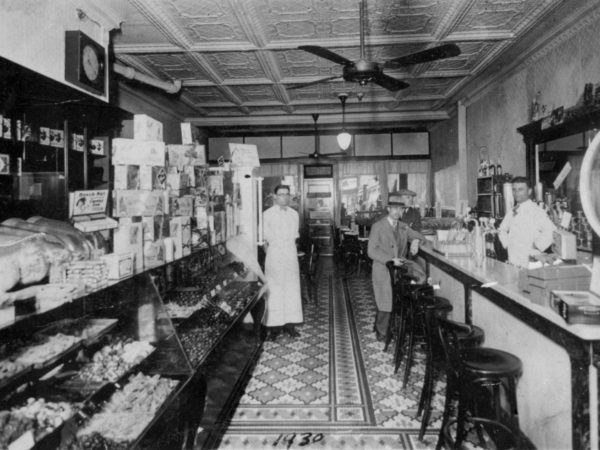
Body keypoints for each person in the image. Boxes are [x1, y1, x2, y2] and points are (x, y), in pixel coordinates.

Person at [367, 192, 427, 341]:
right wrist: (390, 259)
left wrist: (415, 241)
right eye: (394, 208)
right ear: (388, 209)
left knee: (415, 284)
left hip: (399, 269)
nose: (397, 212)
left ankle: (392, 327)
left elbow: (421, 237)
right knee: (385, 300)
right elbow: (371, 251)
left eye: (401, 209)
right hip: (382, 268)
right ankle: (382, 331)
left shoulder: (403, 227)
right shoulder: (378, 226)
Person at [263, 185, 303, 340]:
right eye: (281, 195)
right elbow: (265, 240)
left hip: (290, 254)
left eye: (287, 194)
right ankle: (274, 327)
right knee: (275, 290)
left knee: (292, 289)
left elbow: (294, 236)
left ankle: (290, 325)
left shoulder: (294, 214)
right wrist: (272, 256)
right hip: (274, 255)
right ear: (274, 196)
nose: (285, 198)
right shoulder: (267, 214)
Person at [498, 176, 556, 268]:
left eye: (520, 189)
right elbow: (502, 229)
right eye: (514, 190)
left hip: (529, 261)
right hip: (513, 260)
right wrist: (507, 245)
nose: (516, 193)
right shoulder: (513, 210)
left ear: (529, 191)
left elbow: (552, 231)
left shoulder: (536, 210)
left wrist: (537, 245)